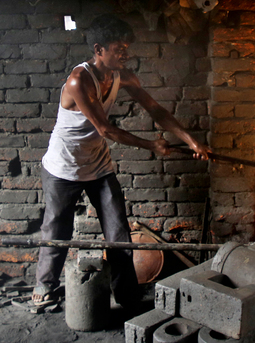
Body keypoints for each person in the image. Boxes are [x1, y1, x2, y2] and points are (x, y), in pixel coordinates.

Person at [32, 14, 209, 307]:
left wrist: (192, 141)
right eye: (119, 48)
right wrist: (151, 145)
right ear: (99, 49)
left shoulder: (122, 76)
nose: (125, 54)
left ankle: (126, 294)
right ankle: (45, 286)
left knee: (118, 233)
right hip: (64, 166)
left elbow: (156, 110)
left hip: (98, 166)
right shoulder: (79, 80)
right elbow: (105, 129)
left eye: (126, 48)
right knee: (56, 229)